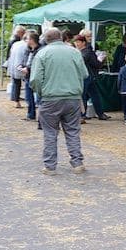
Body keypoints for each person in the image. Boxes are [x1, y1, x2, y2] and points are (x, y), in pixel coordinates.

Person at [29, 27, 88, 175]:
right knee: (73, 131)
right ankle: (77, 163)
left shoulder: (42, 54)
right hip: (73, 97)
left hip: (50, 98)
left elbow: (35, 79)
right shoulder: (75, 52)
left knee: (50, 133)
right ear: (61, 37)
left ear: (46, 39)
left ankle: (50, 166)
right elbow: (84, 74)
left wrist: (41, 92)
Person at [74, 34, 109, 121]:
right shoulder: (83, 51)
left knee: (84, 95)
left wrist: (100, 61)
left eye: (78, 42)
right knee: (94, 95)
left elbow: (95, 64)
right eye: (75, 42)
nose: (76, 44)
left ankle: (82, 115)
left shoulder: (86, 52)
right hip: (89, 76)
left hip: (87, 76)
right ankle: (100, 113)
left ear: (83, 43)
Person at [20, 31, 41, 121]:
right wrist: (21, 66)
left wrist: (28, 69)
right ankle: (30, 114)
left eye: (27, 39)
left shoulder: (40, 50)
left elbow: (38, 64)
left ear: (32, 40)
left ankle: (41, 116)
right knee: (28, 96)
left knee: (39, 97)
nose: (26, 40)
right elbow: (25, 60)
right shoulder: (27, 50)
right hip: (27, 76)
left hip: (36, 76)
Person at [6, 26, 29, 109]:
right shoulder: (18, 41)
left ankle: (16, 99)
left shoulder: (14, 41)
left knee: (16, 82)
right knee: (23, 83)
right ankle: (24, 100)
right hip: (20, 64)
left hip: (14, 64)